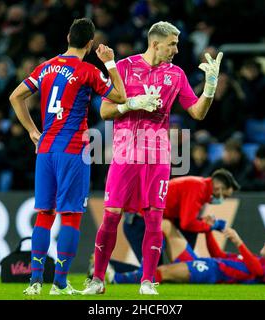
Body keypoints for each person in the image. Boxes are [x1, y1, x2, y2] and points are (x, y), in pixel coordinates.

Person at [83, 21, 223, 295]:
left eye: (177, 44)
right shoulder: (123, 67)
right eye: (172, 44)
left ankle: (148, 281)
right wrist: (131, 104)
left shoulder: (177, 75)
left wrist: (209, 88)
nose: (176, 49)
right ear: (155, 43)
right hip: (125, 155)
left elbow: (197, 113)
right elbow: (105, 111)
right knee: (111, 217)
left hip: (157, 157)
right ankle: (97, 280)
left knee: (154, 220)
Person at [9, 18, 127, 296]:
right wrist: (110, 63)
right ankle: (59, 283)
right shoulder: (88, 71)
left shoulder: (46, 67)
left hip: (46, 148)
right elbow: (120, 96)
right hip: (74, 149)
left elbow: (16, 97)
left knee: (44, 214)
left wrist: (31, 131)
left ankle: (35, 282)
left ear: (67, 37)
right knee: (71, 216)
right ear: (90, 43)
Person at [109, 219, 265, 286]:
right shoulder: (253, 258)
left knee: (164, 272)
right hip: (206, 263)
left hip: (211, 271)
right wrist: (208, 230)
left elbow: (257, 272)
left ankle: (116, 278)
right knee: (166, 225)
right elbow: (218, 255)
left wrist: (239, 242)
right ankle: (141, 269)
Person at [121, 168, 239, 267]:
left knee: (156, 270)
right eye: (225, 196)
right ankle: (112, 270)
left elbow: (185, 221)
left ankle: (185, 266)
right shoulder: (198, 188)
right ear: (218, 187)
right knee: (153, 271)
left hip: (147, 220)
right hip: (138, 222)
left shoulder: (199, 187)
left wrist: (205, 224)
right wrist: (209, 226)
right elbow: (186, 223)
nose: (222, 200)